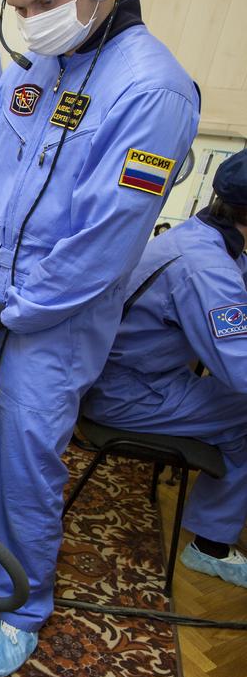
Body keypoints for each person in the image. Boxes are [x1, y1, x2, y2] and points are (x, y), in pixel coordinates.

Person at [0, 0, 201, 677]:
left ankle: (22, 603)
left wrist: (6, 306)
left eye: (47, 0)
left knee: (25, 462)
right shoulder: (34, 68)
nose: (32, 19)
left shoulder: (152, 90)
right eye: (19, 7)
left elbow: (104, 242)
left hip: (59, 319)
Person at [83, 149, 247, 587]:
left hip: (121, 376)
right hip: (126, 395)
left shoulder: (199, 234)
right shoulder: (208, 269)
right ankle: (210, 546)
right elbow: (241, 371)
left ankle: (213, 528)